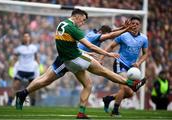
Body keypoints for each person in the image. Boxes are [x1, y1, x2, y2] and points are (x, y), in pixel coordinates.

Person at [15, 9, 145, 119]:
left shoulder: (62, 24)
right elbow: (95, 43)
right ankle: (131, 84)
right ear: (76, 17)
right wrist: (108, 54)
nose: (83, 23)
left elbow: (109, 33)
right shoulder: (81, 32)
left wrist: (123, 28)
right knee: (103, 71)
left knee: (86, 84)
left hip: (71, 56)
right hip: (73, 59)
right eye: (82, 20)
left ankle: (81, 112)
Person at [101, 16, 149, 116]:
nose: (135, 25)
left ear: (139, 26)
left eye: (137, 24)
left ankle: (108, 99)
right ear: (130, 24)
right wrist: (101, 58)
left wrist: (138, 63)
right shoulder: (123, 35)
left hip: (131, 68)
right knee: (124, 87)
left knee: (130, 93)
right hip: (120, 63)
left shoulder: (144, 38)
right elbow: (111, 46)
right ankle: (115, 111)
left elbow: (146, 54)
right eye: (133, 23)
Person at [8, 32, 39, 106]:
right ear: (23, 38)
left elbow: (37, 58)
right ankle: (9, 103)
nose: (26, 38)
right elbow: (13, 59)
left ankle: (33, 104)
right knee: (15, 86)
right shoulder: (19, 49)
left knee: (33, 89)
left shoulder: (34, 48)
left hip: (31, 71)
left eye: (27, 36)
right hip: (21, 70)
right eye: (25, 36)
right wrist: (11, 69)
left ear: (30, 38)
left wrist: (38, 68)